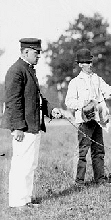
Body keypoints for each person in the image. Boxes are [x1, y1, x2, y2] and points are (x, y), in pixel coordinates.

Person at [0, 38, 62, 210]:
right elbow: (13, 102)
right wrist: (18, 127)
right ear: (25, 51)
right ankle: (18, 202)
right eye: (36, 52)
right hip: (24, 128)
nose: (39, 56)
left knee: (30, 165)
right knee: (21, 165)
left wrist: (50, 110)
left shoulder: (28, 70)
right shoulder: (16, 71)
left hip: (33, 126)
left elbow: (37, 98)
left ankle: (25, 200)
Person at [65, 48, 111, 186]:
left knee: (98, 150)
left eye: (90, 62)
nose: (90, 65)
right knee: (82, 152)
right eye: (86, 62)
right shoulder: (75, 82)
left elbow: (107, 91)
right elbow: (69, 102)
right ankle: (79, 182)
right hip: (84, 121)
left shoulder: (97, 79)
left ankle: (100, 179)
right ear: (80, 64)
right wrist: (83, 104)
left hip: (98, 119)